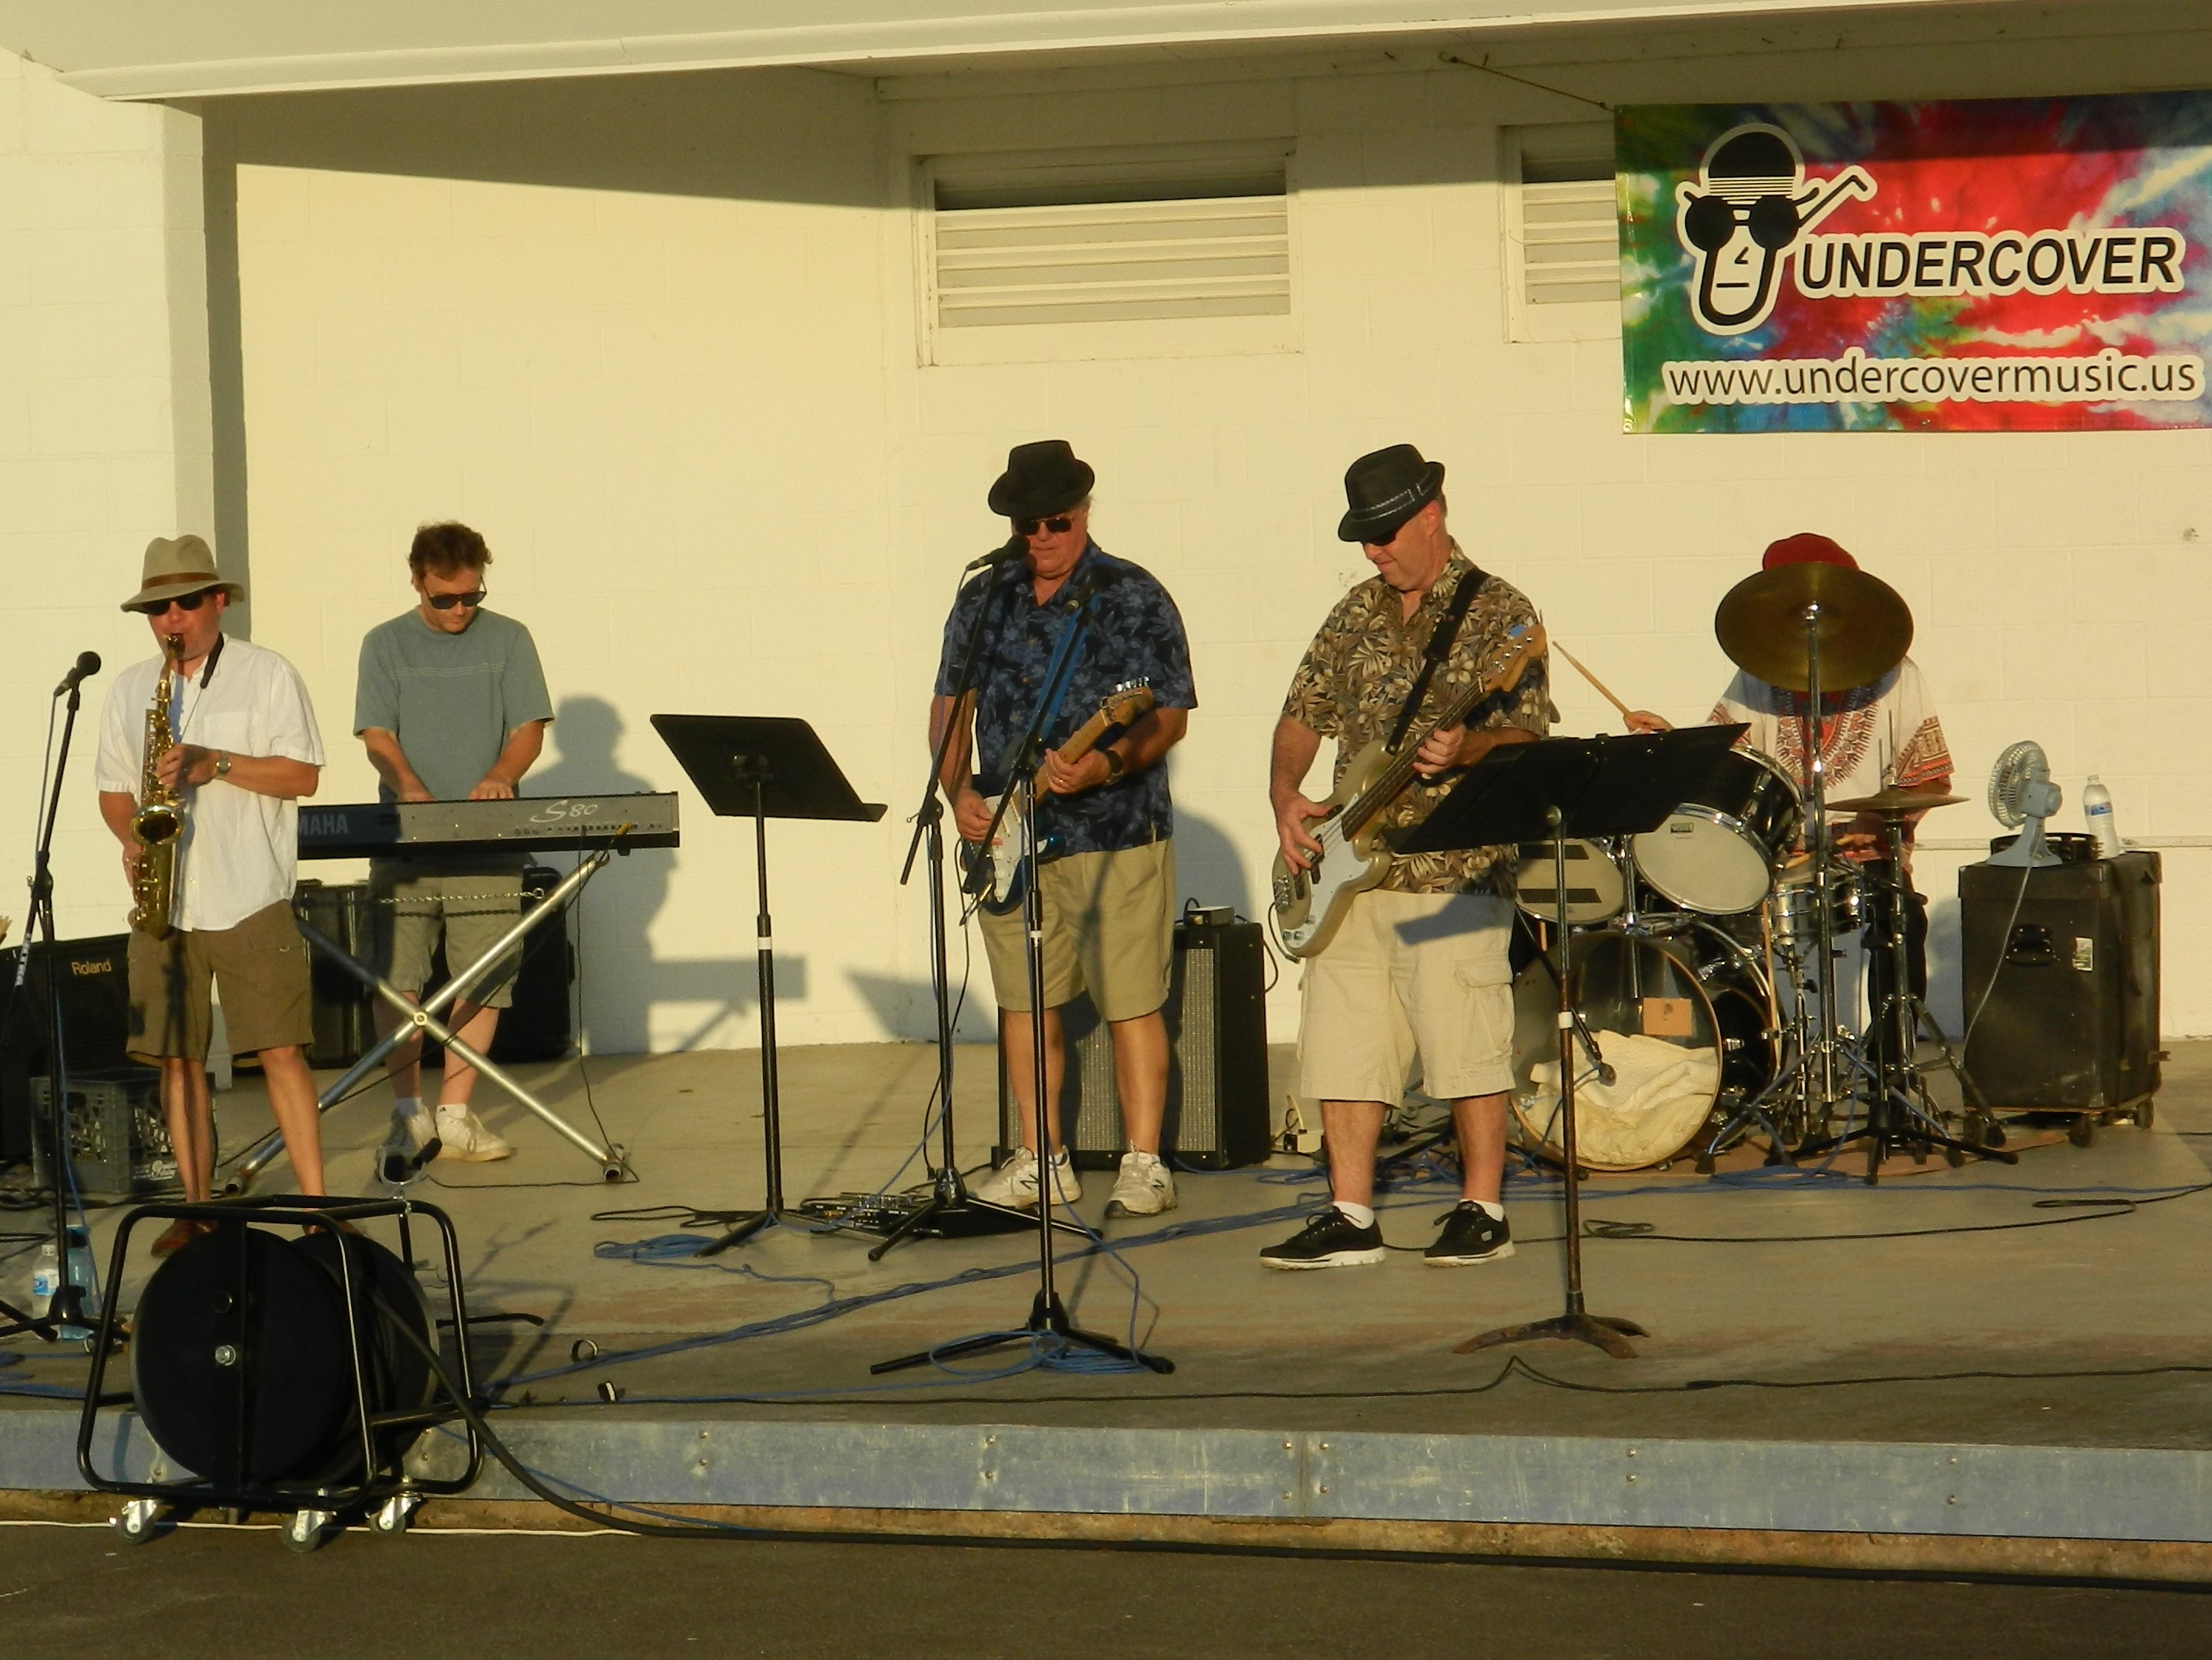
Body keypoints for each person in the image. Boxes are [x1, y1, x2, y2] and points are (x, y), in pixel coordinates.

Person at [1265, 445, 1550, 1270]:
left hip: (1453, 868)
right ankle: (1350, 1214)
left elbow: (1527, 736)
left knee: (1465, 1043)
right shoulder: (1355, 609)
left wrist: (1468, 748)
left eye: (1383, 534)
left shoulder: (1502, 613)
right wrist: (1284, 795)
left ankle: (1482, 1208)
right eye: (1362, 537)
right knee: (1343, 1046)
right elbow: (1301, 713)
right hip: (1350, 870)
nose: (1371, 551)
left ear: (1429, 516)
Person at [930, 440, 1196, 1217]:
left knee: (1131, 1001)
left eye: (1056, 521)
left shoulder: (1132, 594)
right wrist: (957, 792)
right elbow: (951, 705)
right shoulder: (984, 596)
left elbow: (1167, 716)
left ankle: (1144, 1163)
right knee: (1023, 1002)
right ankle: (1038, 1158)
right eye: (1027, 524)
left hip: (1115, 833)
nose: (1041, 536)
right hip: (1009, 836)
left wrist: (1104, 763)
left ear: (1082, 512)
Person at [1623, 532, 1952, 1051]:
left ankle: (1890, 1067)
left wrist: (1881, 822)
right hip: (1779, 849)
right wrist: (1671, 743)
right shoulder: (1758, 674)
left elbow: (1930, 777)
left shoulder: (1896, 674)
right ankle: (1753, 1058)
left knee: (1902, 918)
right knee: (1711, 919)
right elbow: (1726, 761)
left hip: (1867, 850)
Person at [95, 535, 328, 1252]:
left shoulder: (266, 674)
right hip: (167, 902)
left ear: (218, 601)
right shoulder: (132, 688)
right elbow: (113, 791)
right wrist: (131, 839)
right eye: (157, 608)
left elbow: (302, 777)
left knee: (281, 1051)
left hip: (249, 891)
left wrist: (215, 763)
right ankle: (196, 1210)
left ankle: (319, 1211)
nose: (172, 618)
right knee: (177, 1058)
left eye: (187, 602)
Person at [354, 522, 552, 1177]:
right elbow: (376, 733)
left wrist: (501, 775)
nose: (460, 609)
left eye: (471, 596)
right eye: (445, 599)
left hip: (488, 840)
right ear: (416, 580)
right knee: (397, 979)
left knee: (485, 975)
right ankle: (407, 1113)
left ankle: (455, 1115)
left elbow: (528, 728)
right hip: (405, 842)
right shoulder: (384, 643)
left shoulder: (510, 638)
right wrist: (407, 784)